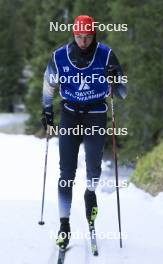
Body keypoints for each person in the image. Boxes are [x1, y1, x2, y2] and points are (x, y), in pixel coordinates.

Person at [42, 15, 127, 250]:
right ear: (73, 34)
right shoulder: (59, 56)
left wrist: (115, 79)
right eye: (79, 36)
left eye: (87, 36)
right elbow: (48, 84)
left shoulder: (106, 54)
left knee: (94, 168)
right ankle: (64, 225)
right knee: (66, 171)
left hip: (96, 113)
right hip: (70, 113)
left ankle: (90, 193)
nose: (83, 41)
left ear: (94, 35)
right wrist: (47, 111)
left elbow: (122, 93)